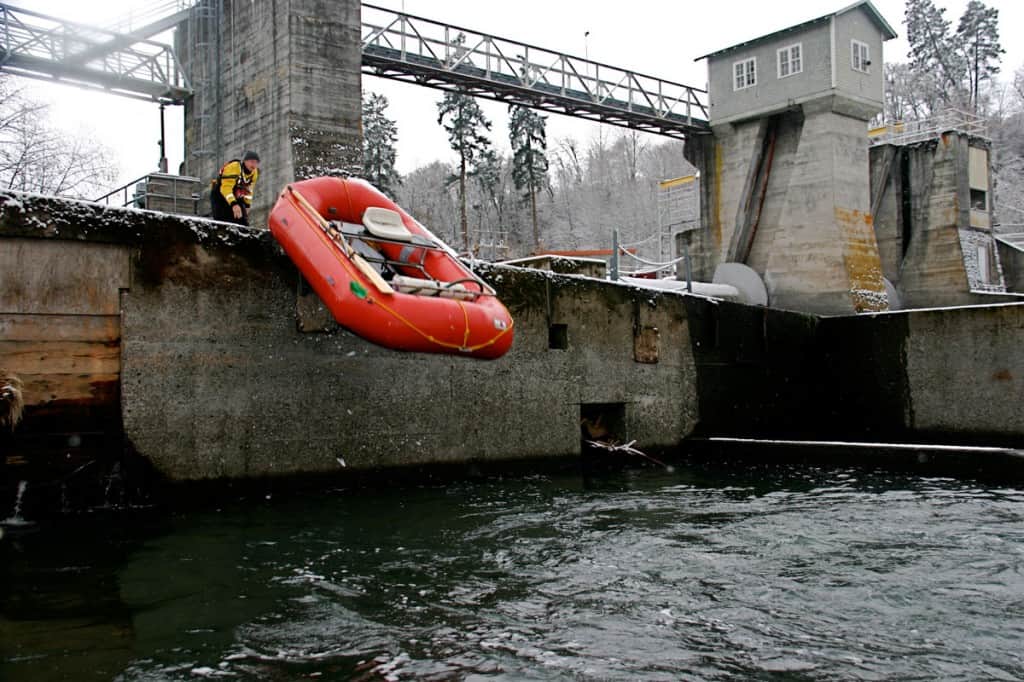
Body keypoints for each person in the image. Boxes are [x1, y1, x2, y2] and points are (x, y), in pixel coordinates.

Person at [210, 151, 260, 226]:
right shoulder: (234, 167)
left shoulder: (254, 173)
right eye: (252, 162)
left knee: (243, 222)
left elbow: (249, 190)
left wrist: (247, 205)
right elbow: (225, 188)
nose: (254, 165)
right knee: (223, 222)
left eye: (256, 163)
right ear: (245, 161)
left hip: (236, 195)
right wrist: (234, 204)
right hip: (220, 195)